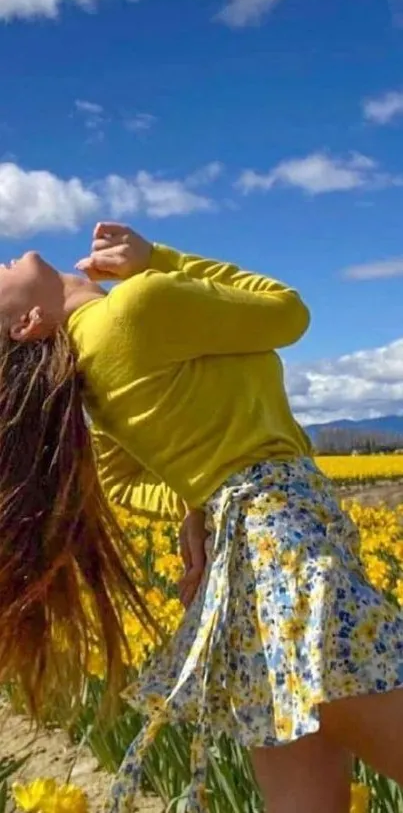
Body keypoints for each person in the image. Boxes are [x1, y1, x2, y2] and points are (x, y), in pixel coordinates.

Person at [1, 225, 403, 813]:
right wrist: (157, 259)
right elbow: (289, 312)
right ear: (28, 323)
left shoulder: (87, 381)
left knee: (306, 790)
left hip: (245, 564)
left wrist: (205, 501)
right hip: (286, 546)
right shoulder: (138, 304)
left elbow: (124, 484)